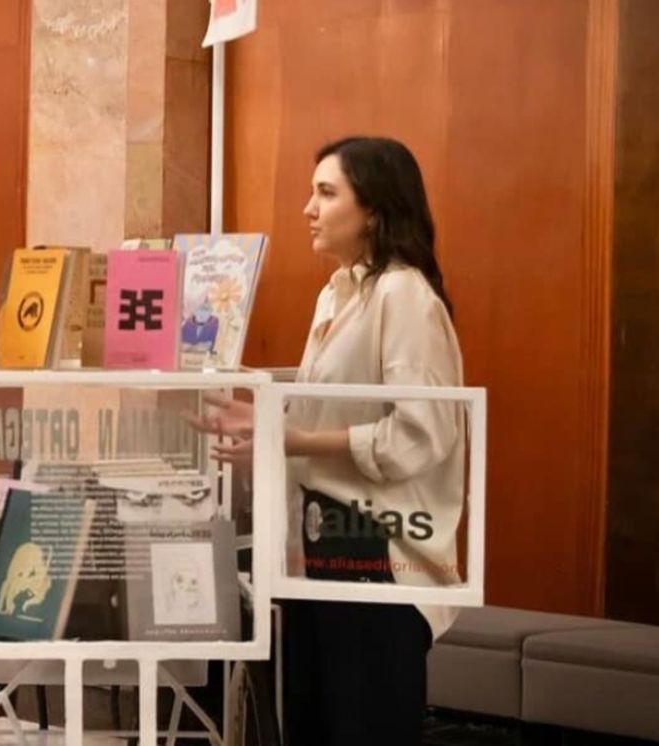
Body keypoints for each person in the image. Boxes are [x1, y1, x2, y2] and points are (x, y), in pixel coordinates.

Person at [191, 136, 466, 744]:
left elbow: (419, 436)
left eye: (325, 192)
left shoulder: (406, 297)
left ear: (373, 209)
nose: (307, 209)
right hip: (316, 549)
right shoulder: (336, 293)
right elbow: (318, 423)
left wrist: (289, 438)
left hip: (377, 555)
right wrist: (265, 438)